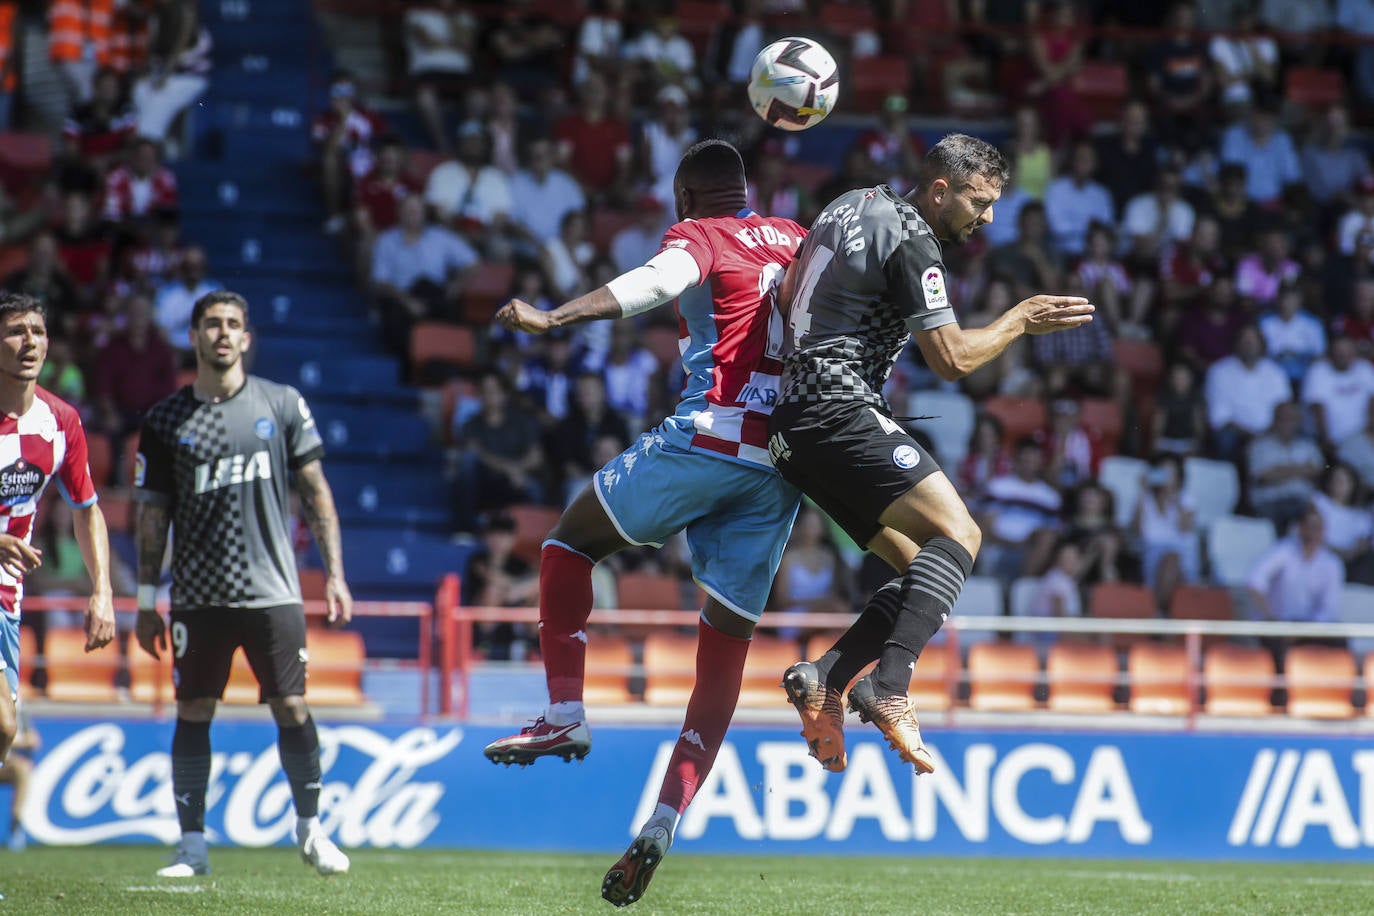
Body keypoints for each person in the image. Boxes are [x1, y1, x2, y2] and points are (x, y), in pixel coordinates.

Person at [483, 140, 805, 907]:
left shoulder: (700, 236)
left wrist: (556, 314)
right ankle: (664, 819)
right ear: (749, 192)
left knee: (568, 544)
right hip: (784, 467)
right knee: (723, 650)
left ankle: (565, 713)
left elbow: (652, 285)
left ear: (685, 198)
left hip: (710, 439)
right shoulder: (796, 239)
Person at [767, 135, 1093, 777]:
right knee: (962, 533)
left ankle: (825, 676)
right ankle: (888, 687)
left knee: (922, 574)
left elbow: (787, 295)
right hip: (838, 409)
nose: (988, 217)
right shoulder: (913, 237)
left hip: (791, 428)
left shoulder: (846, 205)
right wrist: (1019, 319)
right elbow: (951, 361)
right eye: (979, 201)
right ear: (940, 188)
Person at [132, 291, 352, 878]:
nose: (223, 334)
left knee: (291, 704)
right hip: (197, 597)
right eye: (211, 324)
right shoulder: (164, 419)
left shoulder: (281, 404)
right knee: (194, 708)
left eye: (233, 324)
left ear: (247, 338)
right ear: (194, 336)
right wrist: (146, 598)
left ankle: (310, 829)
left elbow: (316, 492)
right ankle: (193, 847)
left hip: (272, 591)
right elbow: (151, 515)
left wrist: (334, 573)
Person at [0, 293, 116, 771]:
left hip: (6, 597)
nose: (30, 341)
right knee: (5, 725)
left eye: (39, 331)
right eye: (15, 331)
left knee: (5, 732)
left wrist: (102, 591)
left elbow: (87, 509)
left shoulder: (61, 421)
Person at [0, 699, 35, 850]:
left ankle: (16, 825)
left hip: (6, 762)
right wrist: (17, 739)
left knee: (22, 768)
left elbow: (34, 739)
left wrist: (10, 740)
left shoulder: (19, 707)